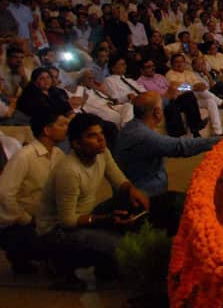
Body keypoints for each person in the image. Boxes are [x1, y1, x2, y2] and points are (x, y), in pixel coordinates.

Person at [35, 113, 150, 279]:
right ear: (76, 144)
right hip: (56, 231)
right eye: (92, 136)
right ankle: (58, 262)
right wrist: (105, 219)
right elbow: (67, 221)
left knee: (132, 202)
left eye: (101, 133)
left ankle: (105, 265)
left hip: (85, 216)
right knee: (121, 245)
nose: (101, 139)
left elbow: (119, 181)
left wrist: (133, 190)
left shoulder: (102, 153)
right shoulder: (69, 171)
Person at [112, 92, 219, 234]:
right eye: (162, 107)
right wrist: (219, 140)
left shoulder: (133, 127)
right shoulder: (142, 135)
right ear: (157, 112)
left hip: (145, 190)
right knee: (193, 208)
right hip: (143, 199)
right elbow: (181, 147)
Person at [0, 111, 68, 273]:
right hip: (22, 224)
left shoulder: (58, 154)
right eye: (62, 124)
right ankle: (20, 253)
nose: (67, 128)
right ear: (47, 130)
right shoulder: (25, 156)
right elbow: (4, 193)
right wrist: (26, 219)